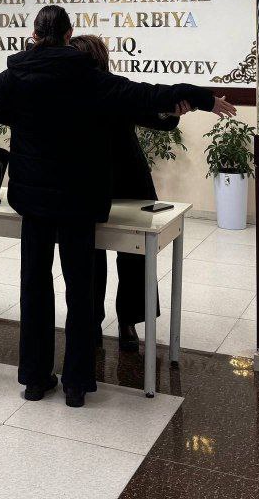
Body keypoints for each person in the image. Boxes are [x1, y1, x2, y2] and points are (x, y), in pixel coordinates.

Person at [0, 5, 235, 407]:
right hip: (79, 200)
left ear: (34, 34)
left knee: (33, 287)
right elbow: (151, 94)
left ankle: (35, 379)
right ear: (69, 34)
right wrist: (204, 98)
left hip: (34, 201)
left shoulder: (14, 76)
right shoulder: (92, 79)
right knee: (81, 290)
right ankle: (76, 384)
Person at [71, 34, 200, 353]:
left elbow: (155, 116)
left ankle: (128, 321)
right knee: (88, 255)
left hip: (128, 180)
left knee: (134, 256)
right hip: (87, 182)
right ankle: (90, 322)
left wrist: (171, 111)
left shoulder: (115, 88)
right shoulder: (66, 92)